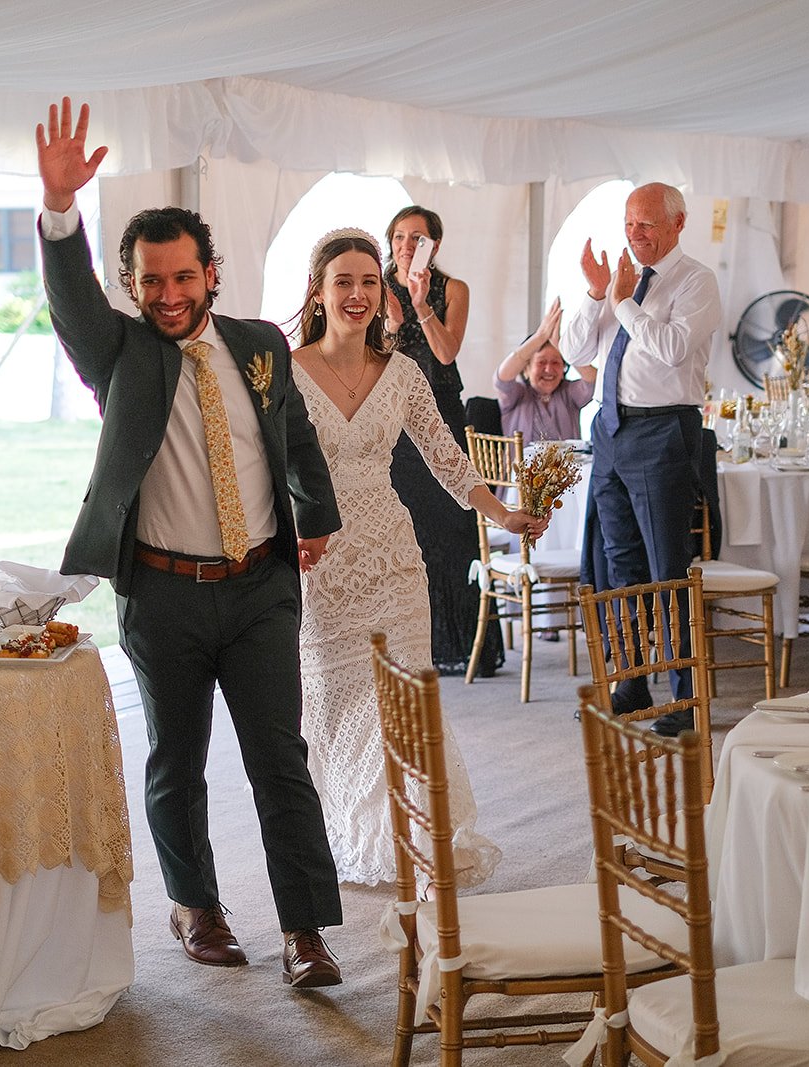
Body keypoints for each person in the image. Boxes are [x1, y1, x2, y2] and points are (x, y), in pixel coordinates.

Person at [35, 98, 345, 989]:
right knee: (176, 755)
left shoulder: (259, 345)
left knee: (279, 757)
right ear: (133, 285)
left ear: (211, 273)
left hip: (259, 590)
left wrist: (312, 517)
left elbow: (293, 440)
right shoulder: (120, 353)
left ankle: (306, 929)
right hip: (162, 593)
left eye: (183, 278)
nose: (168, 295)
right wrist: (61, 211)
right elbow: (69, 300)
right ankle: (196, 906)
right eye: (150, 281)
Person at [290, 228, 544, 886]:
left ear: (385, 291)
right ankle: (352, 831)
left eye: (369, 282)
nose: (356, 293)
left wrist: (503, 513)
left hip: (395, 564)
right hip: (322, 566)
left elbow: (445, 457)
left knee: (401, 705)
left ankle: (413, 838)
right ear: (318, 290)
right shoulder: (287, 371)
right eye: (342, 281)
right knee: (340, 706)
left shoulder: (402, 374)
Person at [563, 183, 721, 737]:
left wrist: (625, 304)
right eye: (630, 224)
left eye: (648, 224)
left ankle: (684, 696)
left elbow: (674, 348)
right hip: (609, 431)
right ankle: (631, 680)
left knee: (666, 567)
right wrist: (595, 293)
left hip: (662, 431)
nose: (636, 234)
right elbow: (574, 351)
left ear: (679, 224)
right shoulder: (619, 281)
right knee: (619, 564)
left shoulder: (696, 280)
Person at [382, 206, 502, 675]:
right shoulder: (377, 286)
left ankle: (466, 645)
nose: (407, 246)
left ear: (435, 244)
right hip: (396, 417)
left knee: (454, 526)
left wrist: (419, 306)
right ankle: (411, 647)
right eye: (398, 237)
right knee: (406, 527)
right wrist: (392, 325)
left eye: (417, 238)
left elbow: (446, 352)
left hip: (443, 409)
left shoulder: (453, 289)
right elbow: (376, 359)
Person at [494, 296, 598, 442]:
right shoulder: (516, 394)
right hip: (521, 465)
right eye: (541, 362)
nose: (549, 369)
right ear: (526, 369)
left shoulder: (569, 393)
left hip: (566, 465)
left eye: (556, 362)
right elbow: (501, 379)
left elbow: (595, 381)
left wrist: (562, 346)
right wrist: (540, 337)